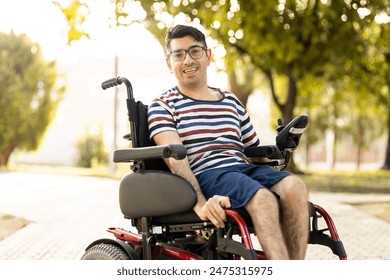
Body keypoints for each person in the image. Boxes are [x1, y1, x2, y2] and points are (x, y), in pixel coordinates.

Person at [147, 24, 309, 260]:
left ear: (208, 55)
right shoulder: (163, 105)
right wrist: (200, 203)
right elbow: (175, 159)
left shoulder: (231, 101)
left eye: (195, 51)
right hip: (208, 173)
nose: (188, 60)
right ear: (169, 63)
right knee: (262, 198)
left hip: (242, 168)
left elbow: (254, 150)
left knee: (296, 187)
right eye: (178, 54)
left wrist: (280, 149)